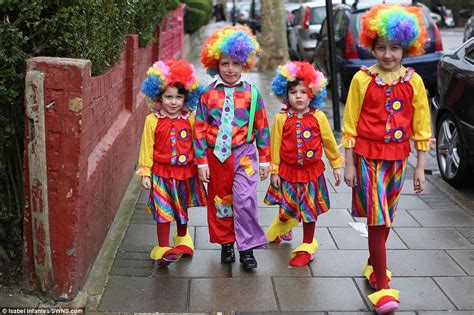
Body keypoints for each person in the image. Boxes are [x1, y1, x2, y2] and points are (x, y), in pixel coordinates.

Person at [342, 4, 431, 313]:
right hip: (367, 156)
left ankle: (372, 262)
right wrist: (349, 163)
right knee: (378, 218)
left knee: (387, 217)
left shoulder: (414, 82)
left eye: (394, 48)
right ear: (372, 47)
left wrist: (419, 166)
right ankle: (382, 287)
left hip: (398, 159)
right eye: (381, 48)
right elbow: (350, 122)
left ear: (406, 47)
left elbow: (422, 125)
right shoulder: (362, 79)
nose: (388, 54)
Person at [195, 25, 270, 271]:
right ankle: (227, 242)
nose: (230, 69)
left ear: (244, 65)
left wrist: (266, 159)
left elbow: (262, 127)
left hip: (245, 155)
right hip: (216, 156)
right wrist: (202, 162)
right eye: (225, 63)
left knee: (245, 199)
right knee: (221, 201)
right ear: (215, 63)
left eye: (236, 64)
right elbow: (199, 129)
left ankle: (246, 247)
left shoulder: (252, 94)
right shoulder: (207, 95)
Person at [263, 61, 343, 267]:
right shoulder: (281, 118)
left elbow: (329, 142)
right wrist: (274, 170)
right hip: (287, 172)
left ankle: (307, 244)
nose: (298, 96)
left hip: (312, 173)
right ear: (285, 94)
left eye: (303, 91)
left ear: (313, 93)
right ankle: (283, 226)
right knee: (288, 206)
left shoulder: (319, 117)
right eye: (293, 92)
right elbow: (275, 144)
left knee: (309, 210)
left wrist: (336, 165)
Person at [137, 58, 207, 267]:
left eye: (178, 97)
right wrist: (145, 172)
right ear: (159, 97)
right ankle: (163, 247)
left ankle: (183, 238)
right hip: (161, 173)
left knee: (182, 207)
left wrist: (202, 164)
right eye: (168, 97)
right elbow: (146, 147)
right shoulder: (153, 120)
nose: (174, 102)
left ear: (186, 98)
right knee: (163, 210)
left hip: (186, 172)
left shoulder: (191, 119)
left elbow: (199, 143)